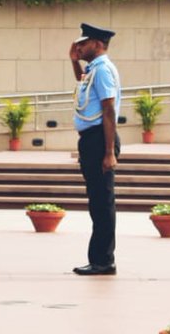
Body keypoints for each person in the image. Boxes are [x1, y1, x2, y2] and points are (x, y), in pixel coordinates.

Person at [69, 22, 121, 276]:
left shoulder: (102, 70)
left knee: (102, 202)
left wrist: (109, 152)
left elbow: (109, 110)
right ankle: (99, 258)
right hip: (91, 139)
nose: (79, 46)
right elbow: (83, 89)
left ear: (98, 44)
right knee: (96, 202)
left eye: (84, 43)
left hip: (101, 139)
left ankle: (104, 260)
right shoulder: (92, 70)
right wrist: (73, 61)